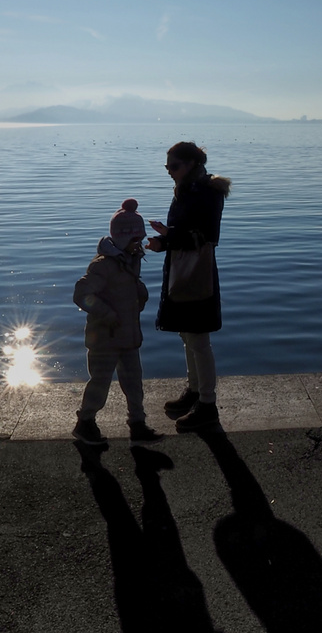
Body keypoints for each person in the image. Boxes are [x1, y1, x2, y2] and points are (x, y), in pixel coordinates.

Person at [147, 141, 231, 432]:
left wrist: (168, 237)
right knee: (187, 335)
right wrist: (164, 241)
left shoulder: (207, 193)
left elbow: (203, 237)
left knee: (198, 339)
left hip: (197, 273)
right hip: (183, 268)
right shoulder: (188, 188)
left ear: (192, 164)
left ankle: (207, 404)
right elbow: (186, 234)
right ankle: (194, 391)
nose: (170, 172)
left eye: (174, 166)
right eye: (167, 167)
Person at [72, 198, 161, 445]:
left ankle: (137, 423)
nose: (141, 243)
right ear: (123, 239)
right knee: (100, 383)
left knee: (134, 382)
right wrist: (108, 315)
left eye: (141, 238)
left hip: (128, 335)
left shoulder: (129, 261)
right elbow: (82, 294)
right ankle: (85, 422)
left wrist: (141, 292)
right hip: (105, 337)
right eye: (136, 239)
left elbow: (125, 290)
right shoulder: (104, 266)